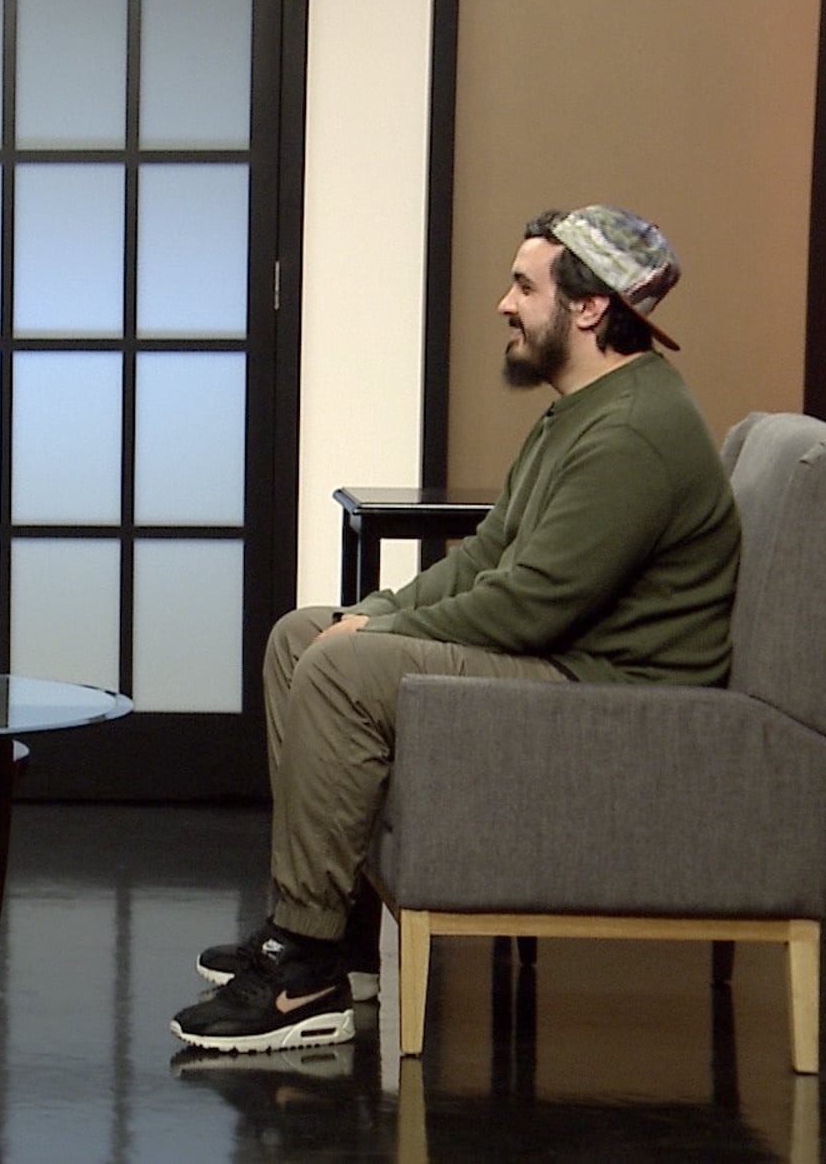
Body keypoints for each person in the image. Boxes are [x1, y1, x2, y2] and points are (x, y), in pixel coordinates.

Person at [170, 206, 741, 1055]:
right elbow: (486, 556)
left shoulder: (631, 433)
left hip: (613, 697)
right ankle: (332, 934)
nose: (504, 304)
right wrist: (378, 613)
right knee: (301, 637)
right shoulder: (581, 410)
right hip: (566, 660)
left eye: (524, 287)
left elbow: (530, 607)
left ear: (589, 308)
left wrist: (371, 639)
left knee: (339, 668)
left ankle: (305, 977)